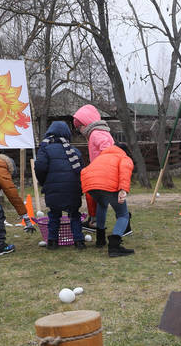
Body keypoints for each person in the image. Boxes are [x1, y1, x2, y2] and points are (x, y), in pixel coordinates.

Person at [72, 104, 132, 243]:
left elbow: (107, 150)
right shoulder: (98, 133)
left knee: (110, 206)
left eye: (79, 126)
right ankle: (103, 233)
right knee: (104, 204)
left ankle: (106, 232)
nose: (79, 130)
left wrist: (100, 166)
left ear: (86, 123)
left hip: (104, 174)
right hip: (104, 175)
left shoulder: (97, 134)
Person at [34, 121, 85, 250]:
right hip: (72, 188)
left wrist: (44, 182)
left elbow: (39, 167)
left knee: (54, 215)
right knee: (74, 215)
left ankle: (52, 241)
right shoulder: (74, 151)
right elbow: (82, 170)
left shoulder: (45, 149)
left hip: (53, 188)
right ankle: (79, 241)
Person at [80, 141, 134, 257]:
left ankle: (100, 239)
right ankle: (114, 246)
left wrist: (92, 214)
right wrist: (123, 189)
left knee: (102, 204)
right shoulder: (123, 157)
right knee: (123, 215)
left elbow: (86, 171)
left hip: (90, 185)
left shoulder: (100, 158)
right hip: (108, 186)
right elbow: (125, 171)